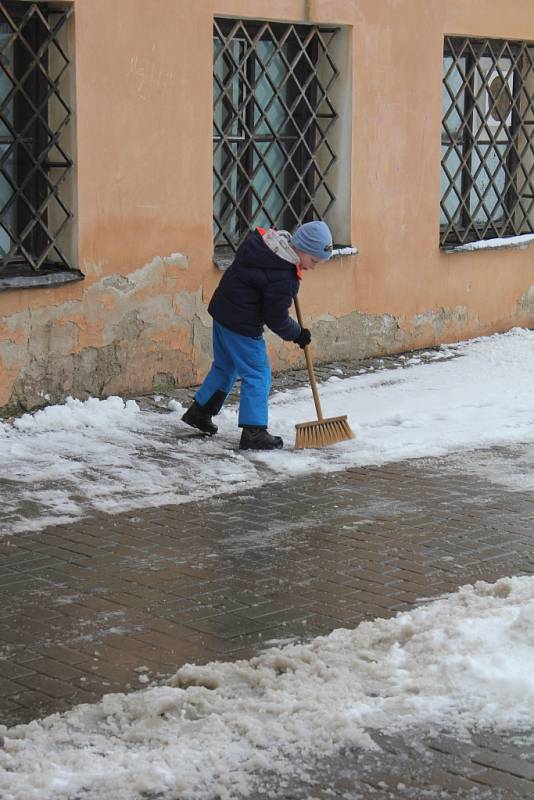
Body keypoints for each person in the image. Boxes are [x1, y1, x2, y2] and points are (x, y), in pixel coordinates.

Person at [181, 220, 333, 450]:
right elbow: (276, 318)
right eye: (313, 260)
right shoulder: (283, 275)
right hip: (242, 324)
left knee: (225, 367)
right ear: (300, 247)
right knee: (258, 374)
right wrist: (298, 334)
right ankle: (254, 432)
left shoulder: (264, 245)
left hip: (223, 312)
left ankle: (200, 412)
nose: (313, 267)